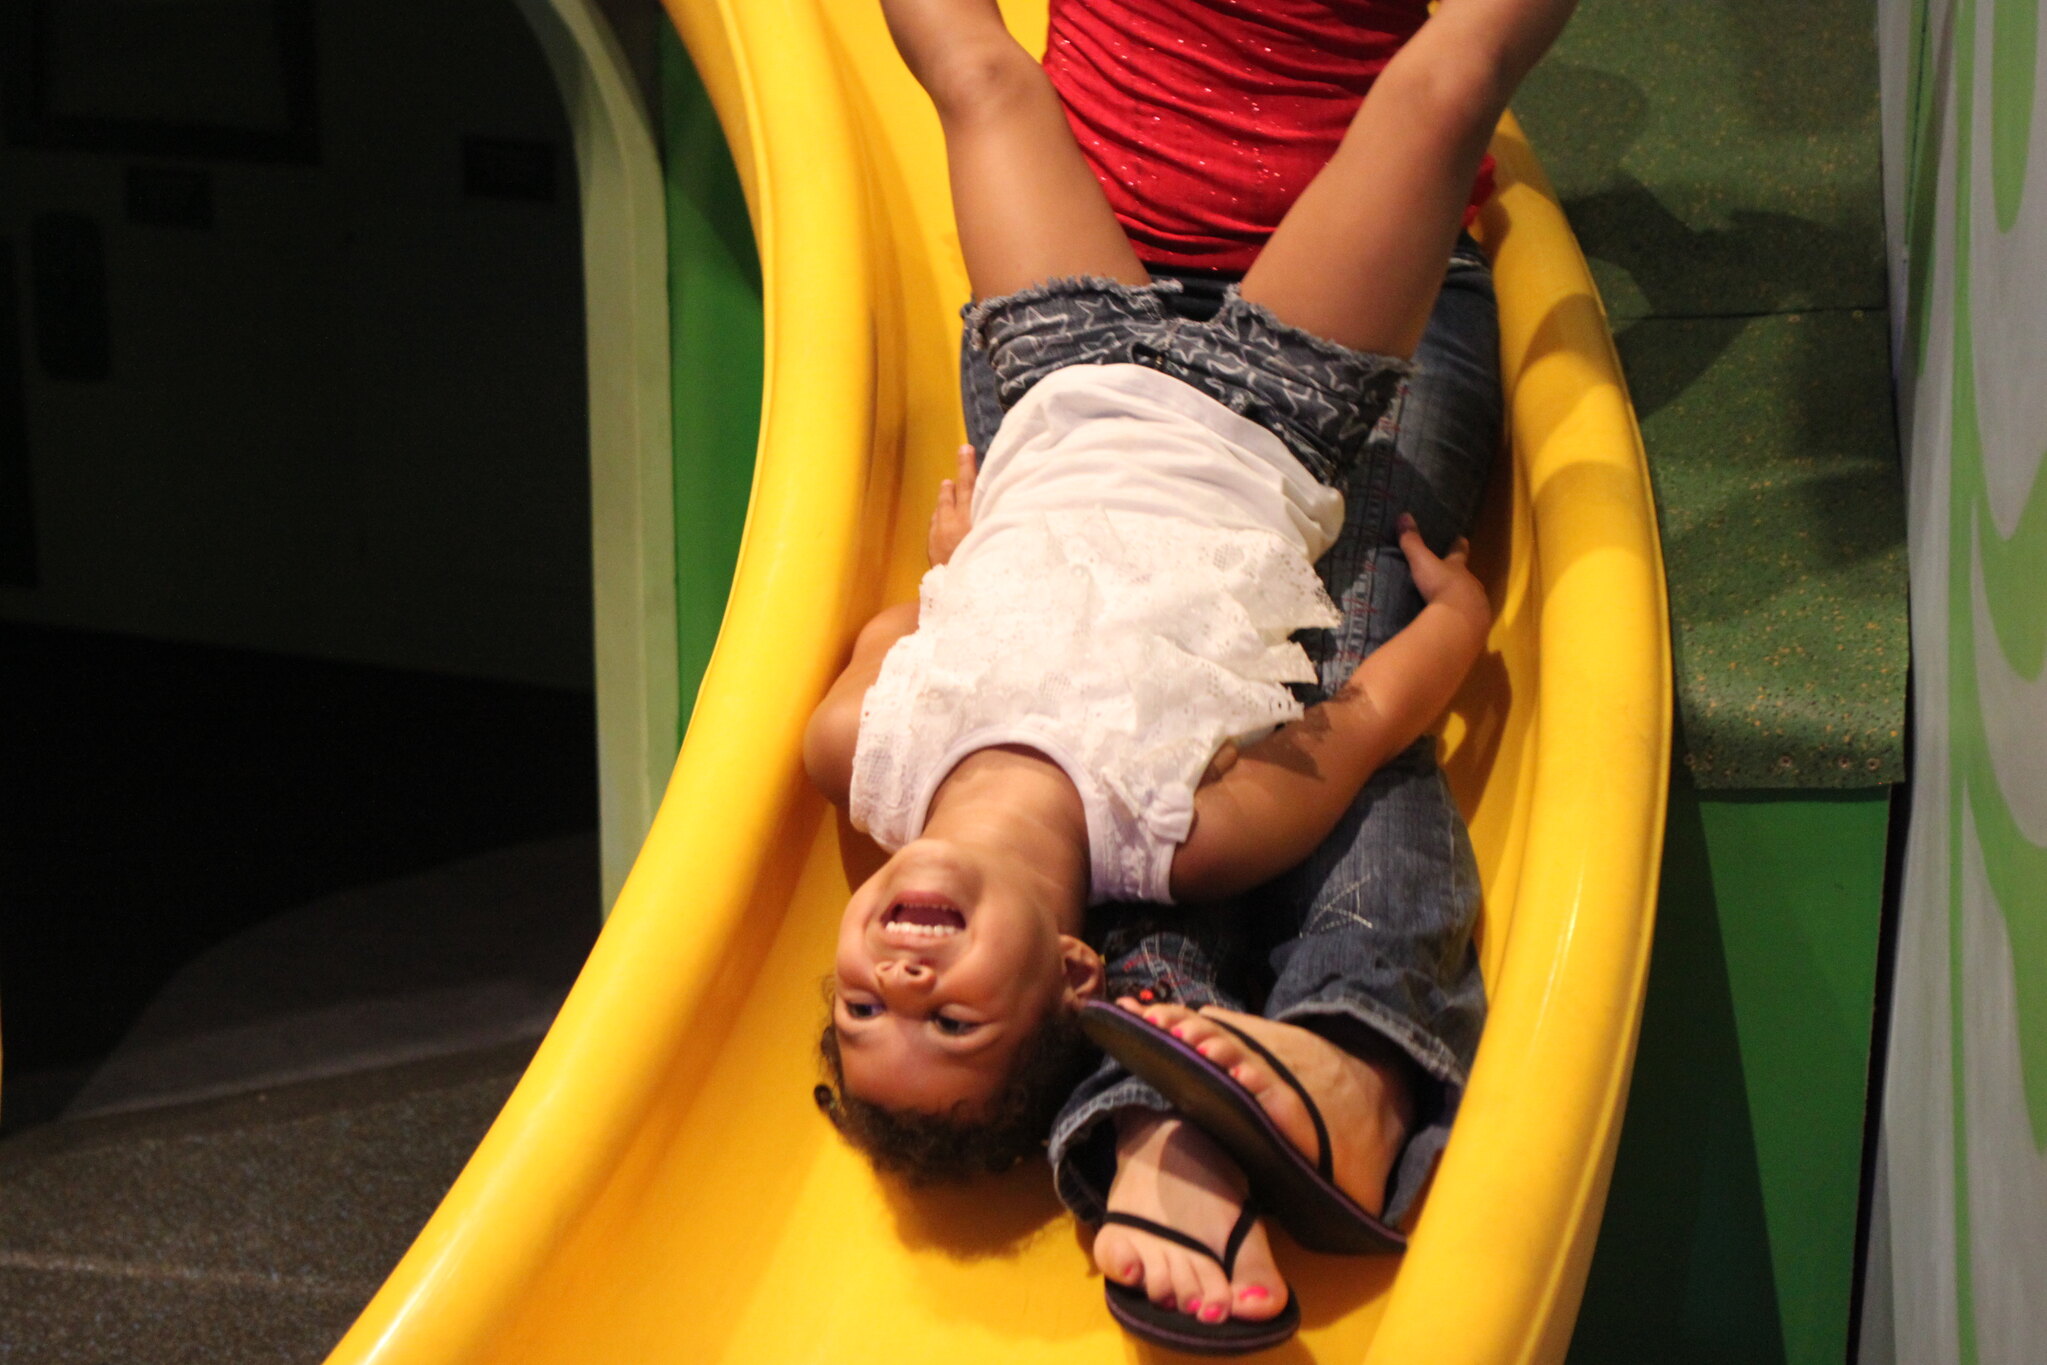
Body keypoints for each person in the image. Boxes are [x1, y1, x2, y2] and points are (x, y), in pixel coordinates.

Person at [805, 0, 1569, 1347]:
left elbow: (883, 644)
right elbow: (1359, 720)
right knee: (1442, 91)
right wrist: (1456, 623)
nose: (905, 982)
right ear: (1072, 967)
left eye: (862, 1006)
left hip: (1060, 386)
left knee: (978, 73)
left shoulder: (865, 758)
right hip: (1275, 408)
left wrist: (953, 575)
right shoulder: (1184, 835)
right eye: (956, 1018)